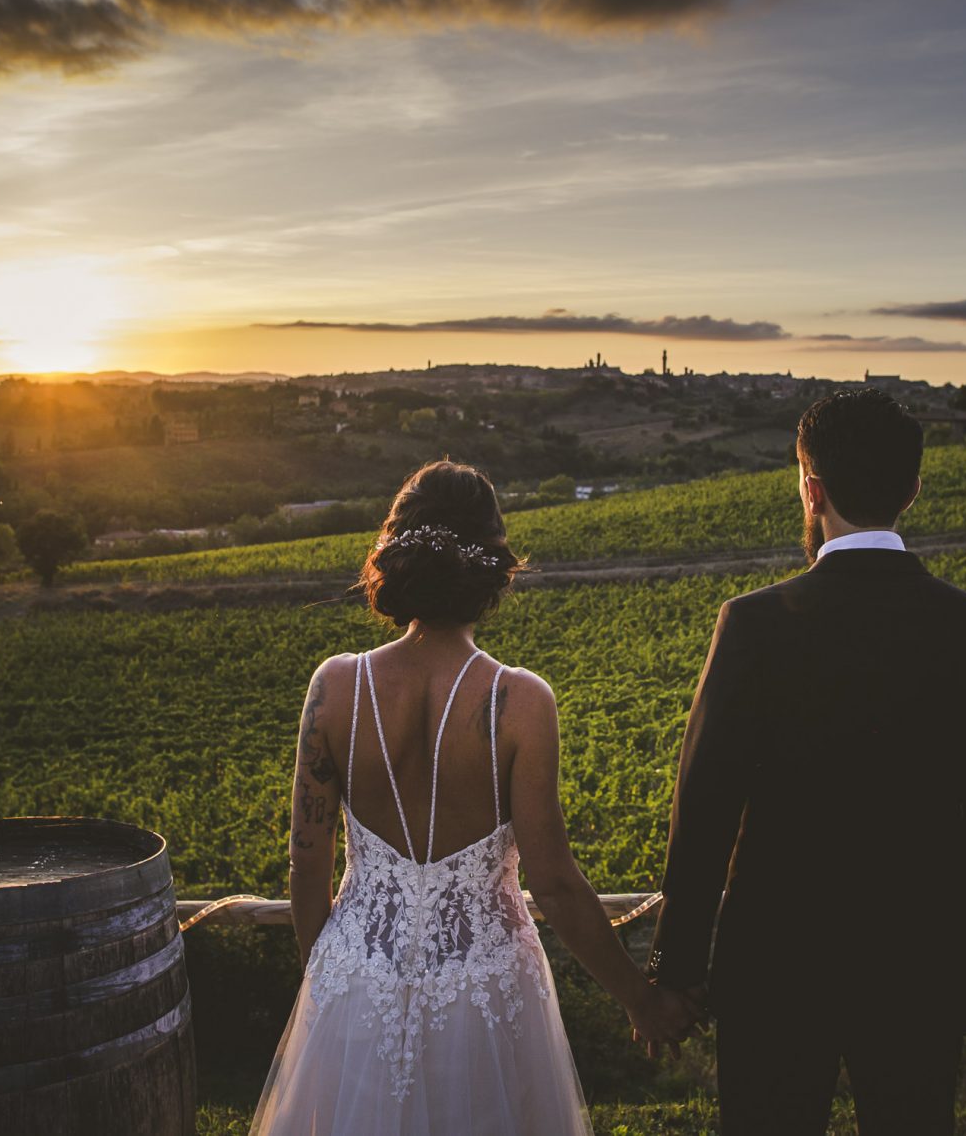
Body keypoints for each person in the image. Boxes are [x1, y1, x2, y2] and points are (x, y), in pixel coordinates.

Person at [251, 459, 695, 1136]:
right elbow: (555, 883)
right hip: (484, 986)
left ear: (393, 553)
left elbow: (305, 867)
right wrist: (639, 997)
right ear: (491, 565)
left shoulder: (333, 687)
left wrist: (333, 985)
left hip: (356, 978)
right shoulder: (522, 701)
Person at [647, 388, 966, 1136]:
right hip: (920, 972)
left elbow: (704, 808)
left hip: (774, 973)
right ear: (913, 489)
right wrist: (953, 950)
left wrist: (678, 972)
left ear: (811, 490)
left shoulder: (753, 625)